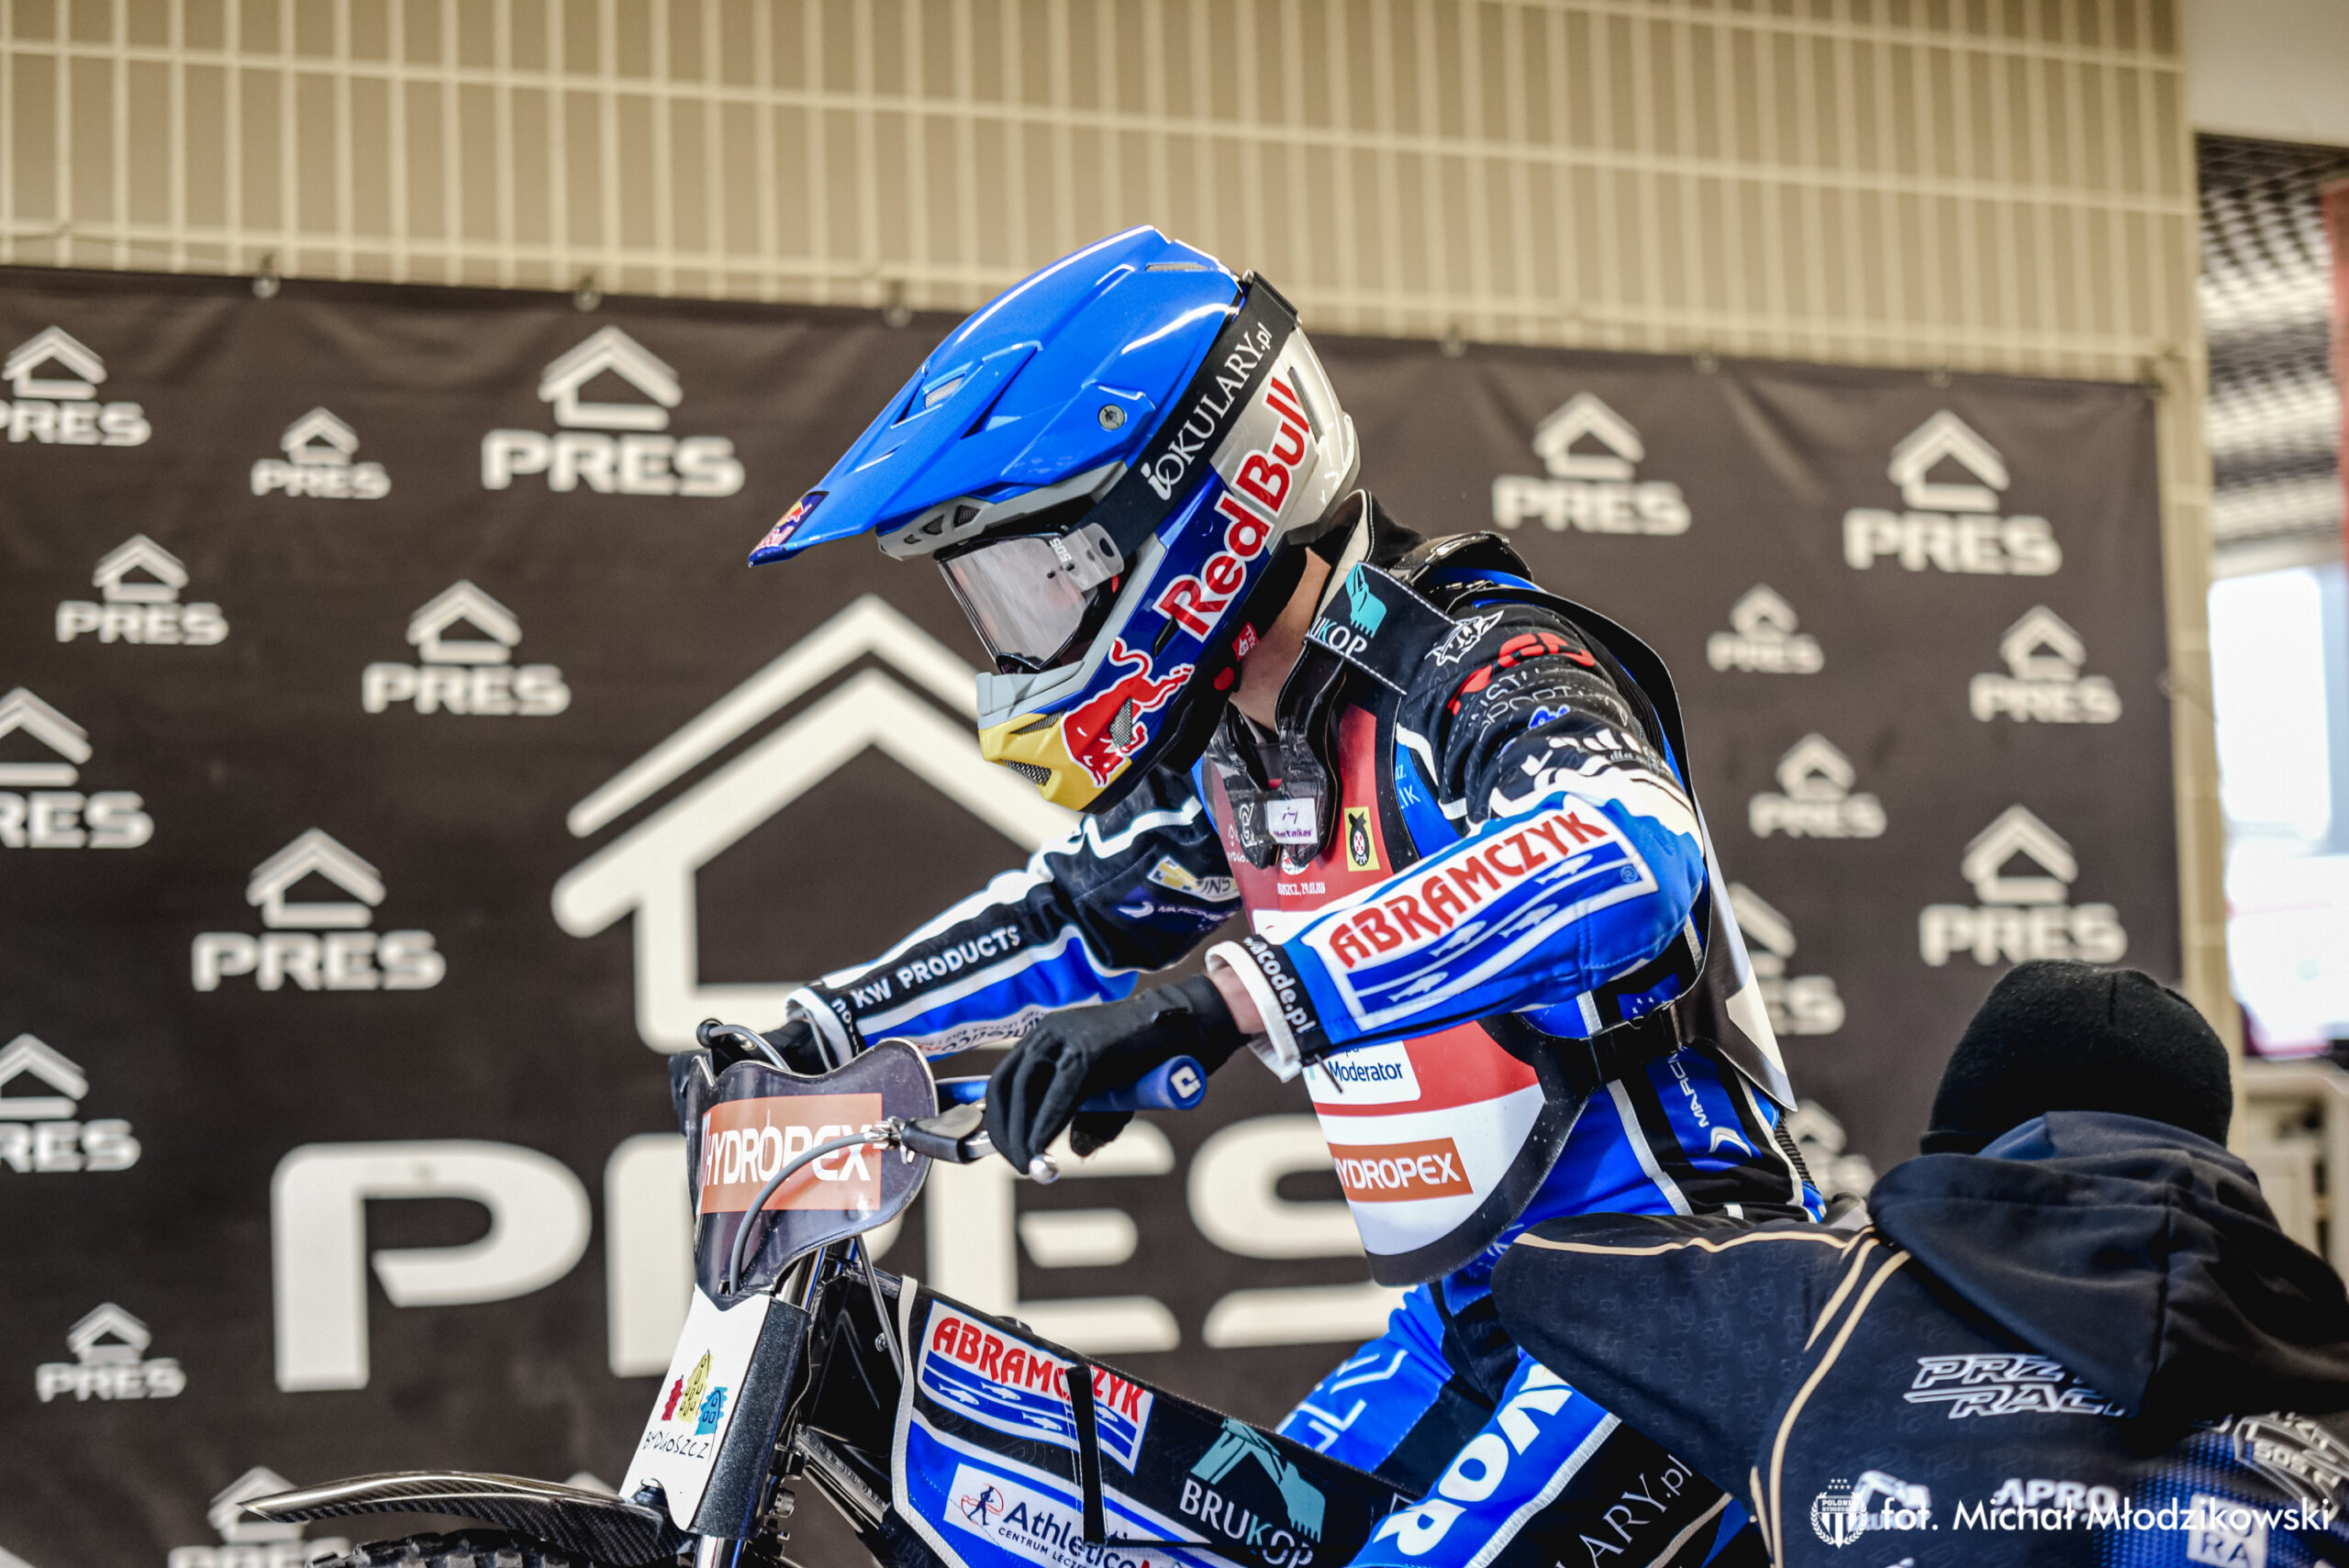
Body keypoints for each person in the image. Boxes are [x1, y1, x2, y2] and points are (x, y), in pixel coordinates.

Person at [744, 226, 1820, 1568]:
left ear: (1199, 508)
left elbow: (1630, 850)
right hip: (1462, 1330)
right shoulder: (1246, 744)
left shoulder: (1476, 659)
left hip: (1675, 1302)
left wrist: (1229, 997)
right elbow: (1076, 915)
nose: (1018, 637)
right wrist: (814, 1034)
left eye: (1046, 577)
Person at [1488, 959, 2349, 1566]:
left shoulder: (1823, 1301)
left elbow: (1540, 1271)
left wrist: (1795, 1220)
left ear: (1961, 1159)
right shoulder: (2328, 1361)